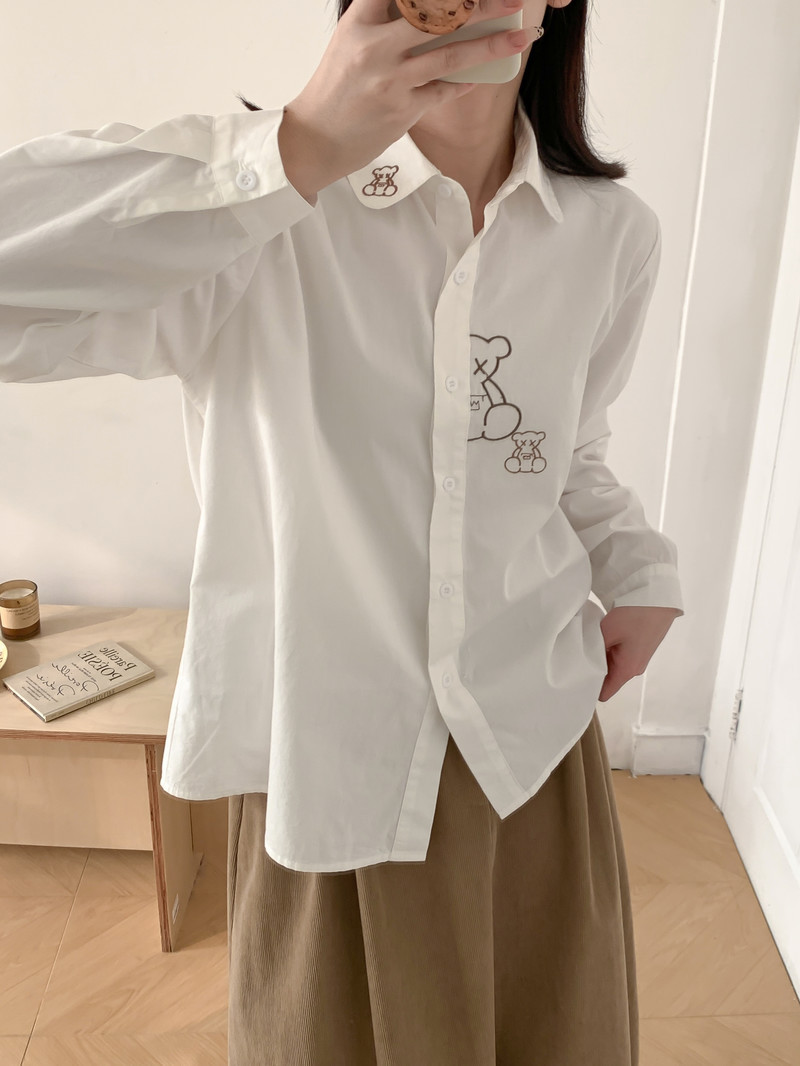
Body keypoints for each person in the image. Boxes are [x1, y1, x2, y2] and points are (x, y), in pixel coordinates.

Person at [0, 0, 684, 1062]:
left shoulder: (610, 235)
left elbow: (566, 448)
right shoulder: (256, 215)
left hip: (531, 748)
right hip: (330, 767)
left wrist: (635, 566)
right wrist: (297, 146)